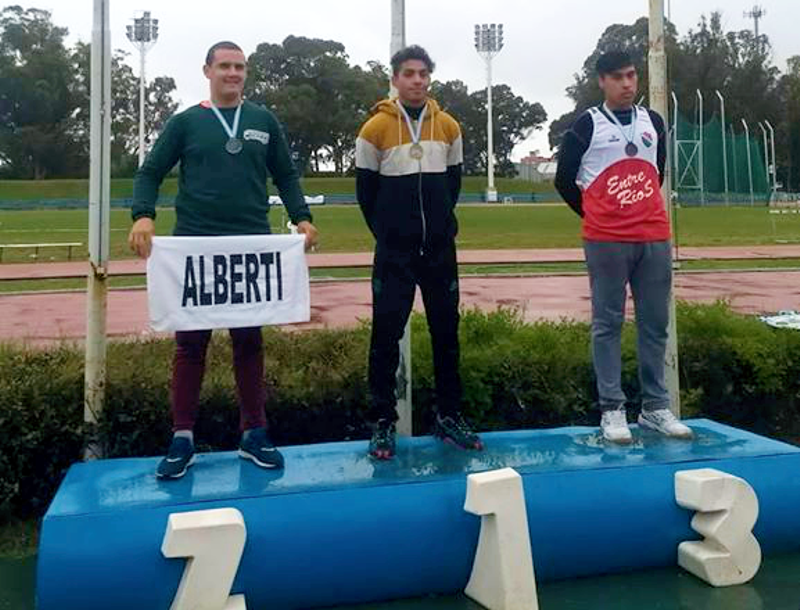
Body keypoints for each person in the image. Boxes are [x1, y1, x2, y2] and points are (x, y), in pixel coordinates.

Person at [128, 41, 319, 478]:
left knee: (249, 341)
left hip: (250, 244)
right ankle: (182, 438)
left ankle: (254, 433)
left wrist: (302, 217)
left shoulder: (262, 120)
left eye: (240, 67)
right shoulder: (186, 122)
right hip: (196, 245)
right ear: (207, 70)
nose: (233, 73)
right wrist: (143, 215)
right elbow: (149, 171)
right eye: (225, 66)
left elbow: (286, 174)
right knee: (190, 345)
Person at [554, 49, 692, 444]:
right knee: (607, 324)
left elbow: (657, 170)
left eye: (632, 75)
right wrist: (597, 213)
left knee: (654, 324)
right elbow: (565, 180)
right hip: (606, 240)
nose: (628, 84)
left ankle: (654, 408)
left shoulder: (654, 122)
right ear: (602, 81)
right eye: (618, 77)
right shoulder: (586, 125)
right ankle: (612, 410)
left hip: (653, 236)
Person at [355, 45, 483, 460]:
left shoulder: (448, 126)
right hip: (396, 252)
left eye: (423, 73)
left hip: (439, 250)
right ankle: (382, 422)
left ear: (430, 77)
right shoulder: (373, 129)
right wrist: (392, 234)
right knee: (385, 337)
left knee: (447, 334)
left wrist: (440, 228)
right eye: (408, 73)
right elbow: (366, 195)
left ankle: (448, 416)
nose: (417, 80)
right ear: (394, 79)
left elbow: (453, 185)